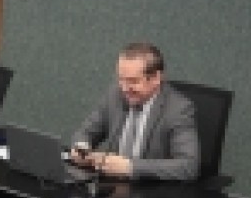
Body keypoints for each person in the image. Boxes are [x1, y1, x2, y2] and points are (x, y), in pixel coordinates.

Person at [70, 43, 200, 181]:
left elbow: (188, 167)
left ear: (156, 78)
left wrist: (130, 167)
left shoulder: (178, 109)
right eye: (121, 79)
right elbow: (85, 132)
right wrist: (81, 149)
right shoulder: (115, 94)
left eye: (133, 81)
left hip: (149, 189)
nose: (125, 88)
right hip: (111, 184)